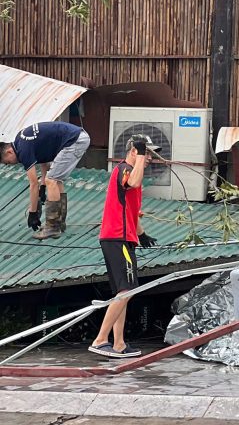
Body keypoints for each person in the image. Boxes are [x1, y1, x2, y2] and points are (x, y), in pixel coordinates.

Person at [89, 134, 159, 358]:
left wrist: (143, 235)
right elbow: (134, 182)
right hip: (116, 237)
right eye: (146, 152)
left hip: (123, 236)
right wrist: (138, 159)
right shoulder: (125, 170)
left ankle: (118, 343)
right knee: (127, 290)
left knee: (123, 292)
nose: (149, 158)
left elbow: (130, 212)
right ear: (134, 151)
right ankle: (101, 340)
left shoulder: (129, 171)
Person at [1, 121, 91, 240]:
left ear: (9, 152)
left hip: (74, 140)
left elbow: (33, 184)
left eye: (7, 162)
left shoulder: (22, 150)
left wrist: (33, 213)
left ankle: (52, 228)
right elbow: (44, 161)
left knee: (51, 180)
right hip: (77, 136)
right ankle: (59, 223)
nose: (11, 164)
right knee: (54, 180)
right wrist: (43, 187)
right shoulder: (21, 141)